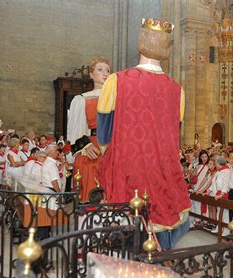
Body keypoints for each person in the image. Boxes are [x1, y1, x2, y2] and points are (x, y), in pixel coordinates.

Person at [96, 18, 191, 249]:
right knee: (160, 242)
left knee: (128, 239)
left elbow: (104, 134)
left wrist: (110, 158)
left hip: (127, 173)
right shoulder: (177, 90)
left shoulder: (116, 81)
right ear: (167, 49)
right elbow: (174, 135)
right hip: (164, 175)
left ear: (140, 41)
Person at [67, 56, 110, 202]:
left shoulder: (118, 99)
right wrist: (84, 145)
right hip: (92, 145)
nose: (105, 73)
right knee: (91, 171)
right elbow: (74, 130)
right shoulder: (82, 99)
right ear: (91, 75)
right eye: (100, 69)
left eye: (107, 70)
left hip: (114, 145)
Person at [208, 156, 231, 234]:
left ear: (218, 163)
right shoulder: (219, 171)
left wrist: (222, 194)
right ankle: (219, 227)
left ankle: (226, 230)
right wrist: (209, 191)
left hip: (223, 194)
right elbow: (213, 182)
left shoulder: (227, 171)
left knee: (224, 213)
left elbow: (226, 184)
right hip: (216, 193)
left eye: (215, 163)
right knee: (219, 212)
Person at [190, 150, 209, 226]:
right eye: (202, 157)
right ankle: (197, 220)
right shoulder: (197, 166)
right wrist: (193, 170)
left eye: (205, 156)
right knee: (196, 204)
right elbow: (192, 176)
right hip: (197, 186)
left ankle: (205, 221)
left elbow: (207, 179)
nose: (204, 158)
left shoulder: (209, 166)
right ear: (200, 158)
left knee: (205, 205)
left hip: (205, 187)